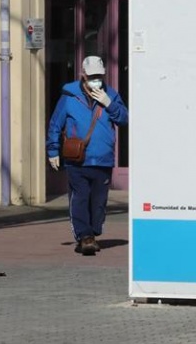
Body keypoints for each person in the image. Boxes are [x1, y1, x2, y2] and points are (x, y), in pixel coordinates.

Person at [46, 55, 128, 256]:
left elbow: (124, 120)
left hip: (103, 159)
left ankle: (93, 232)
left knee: (98, 202)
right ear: (83, 75)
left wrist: (109, 103)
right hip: (78, 160)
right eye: (92, 76)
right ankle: (85, 237)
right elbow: (56, 124)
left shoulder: (111, 95)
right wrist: (53, 151)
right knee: (80, 198)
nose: (95, 79)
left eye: (99, 75)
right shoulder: (69, 96)